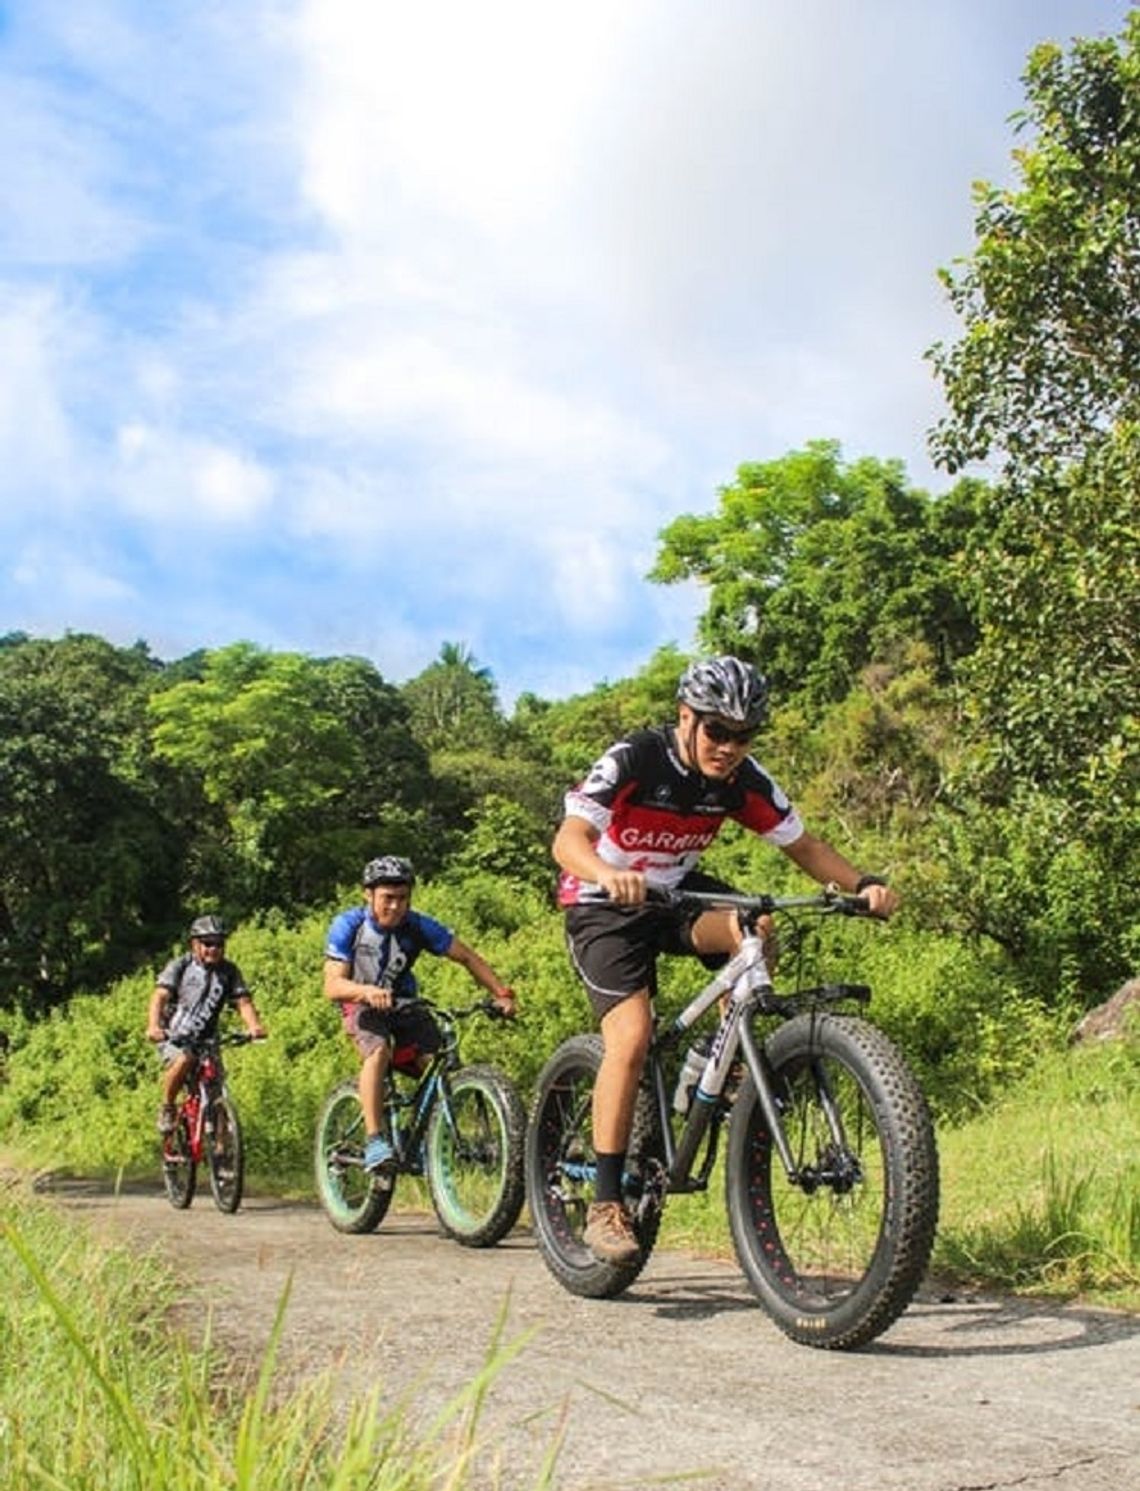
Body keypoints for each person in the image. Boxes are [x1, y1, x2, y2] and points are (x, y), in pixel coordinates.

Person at [553, 655, 899, 1265]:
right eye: (717, 731)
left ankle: (716, 1060)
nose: (729, 747)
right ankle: (606, 1203)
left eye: (744, 736)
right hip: (604, 903)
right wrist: (609, 872)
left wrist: (863, 884)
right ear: (686, 718)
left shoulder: (742, 780)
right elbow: (568, 840)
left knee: (755, 928)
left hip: (677, 896)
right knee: (630, 1039)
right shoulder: (635, 757)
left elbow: (805, 846)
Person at [324, 855, 517, 1175]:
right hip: (358, 1002)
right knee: (379, 1052)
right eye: (388, 898)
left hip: (404, 1003)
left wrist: (501, 993)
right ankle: (374, 1140)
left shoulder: (417, 926)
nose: (396, 907)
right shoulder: (349, 926)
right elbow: (332, 985)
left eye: (403, 899)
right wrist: (367, 991)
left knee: (439, 1064)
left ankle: (427, 1136)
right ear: (368, 895)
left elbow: (466, 957)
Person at [147, 914, 267, 1134]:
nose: (214, 949)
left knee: (217, 1090)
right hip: (175, 1035)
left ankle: (222, 1154)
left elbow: (243, 1002)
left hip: (208, 1039)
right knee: (185, 1059)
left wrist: (254, 1027)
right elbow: (160, 996)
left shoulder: (229, 971)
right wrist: (154, 1027)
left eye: (219, 944)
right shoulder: (181, 965)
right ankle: (168, 1107)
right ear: (194, 944)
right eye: (208, 943)